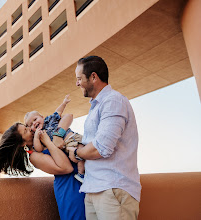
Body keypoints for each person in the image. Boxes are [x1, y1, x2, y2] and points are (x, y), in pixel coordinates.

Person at [67, 56, 141, 220]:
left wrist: (78, 152)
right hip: (94, 188)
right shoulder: (97, 106)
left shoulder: (113, 101)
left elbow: (101, 148)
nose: (77, 83)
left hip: (113, 189)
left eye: (79, 79)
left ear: (93, 77)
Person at [0, 118, 86, 220]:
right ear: (22, 144)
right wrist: (48, 142)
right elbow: (66, 168)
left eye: (27, 127)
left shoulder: (45, 137)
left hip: (84, 181)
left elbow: (65, 118)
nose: (29, 129)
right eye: (25, 131)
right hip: (71, 190)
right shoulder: (34, 156)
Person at [24, 94, 85, 183]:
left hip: (72, 138)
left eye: (35, 119)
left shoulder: (50, 120)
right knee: (76, 157)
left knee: (84, 152)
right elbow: (38, 148)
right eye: (30, 125)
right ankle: (81, 174)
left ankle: (82, 173)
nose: (34, 123)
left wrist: (64, 103)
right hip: (67, 147)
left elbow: (58, 112)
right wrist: (37, 137)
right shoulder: (40, 135)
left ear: (42, 117)